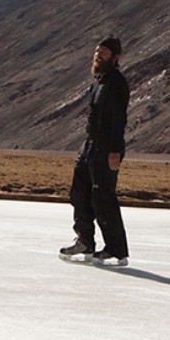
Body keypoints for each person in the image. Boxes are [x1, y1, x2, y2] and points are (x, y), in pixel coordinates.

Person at [60, 36, 130, 266]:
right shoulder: (98, 83)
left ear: (115, 57)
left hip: (106, 149)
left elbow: (119, 120)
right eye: (97, 51)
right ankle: (85, 242)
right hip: (89, 146)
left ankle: (116, 250)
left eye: (104, 52)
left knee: (103, 198)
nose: (98, 55)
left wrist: (114, 151)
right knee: (79, 194)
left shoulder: (117, 83)